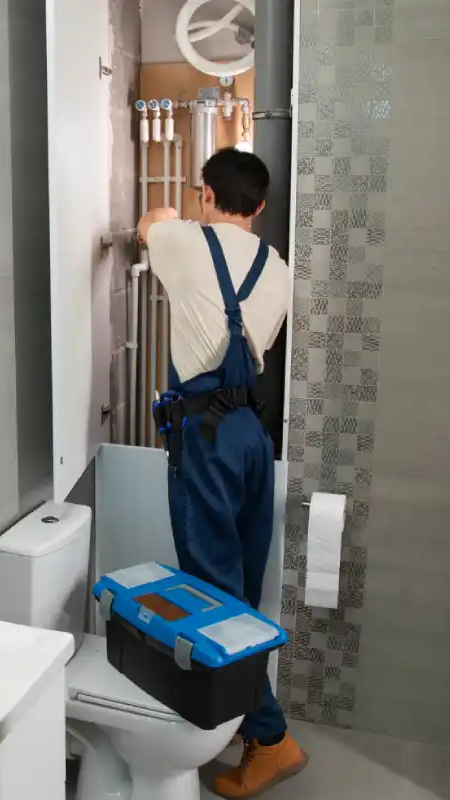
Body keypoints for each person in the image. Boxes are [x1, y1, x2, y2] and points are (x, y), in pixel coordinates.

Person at [137, 147, 307, 798]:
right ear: (260, 207)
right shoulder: (279, 268)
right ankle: (240, 716)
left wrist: (167, 212)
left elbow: (149, 224)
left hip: (204, 434)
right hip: (250, 437)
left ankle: (270, 737)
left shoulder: (182, 240)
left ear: (206, 196)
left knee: (212, 593)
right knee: (240, 585)